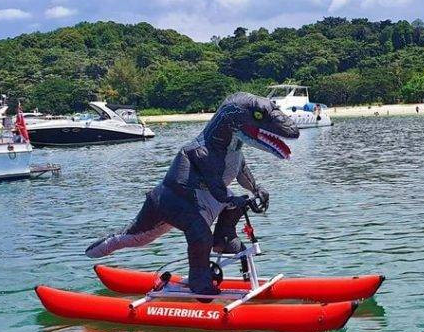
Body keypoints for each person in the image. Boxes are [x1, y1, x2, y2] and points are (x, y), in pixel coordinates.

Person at [85, 93, 300, 295]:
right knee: (169, 235)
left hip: (201, 200)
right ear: (234, 119)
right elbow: (216, 187)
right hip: (172, 201)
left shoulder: (233, 149)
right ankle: (198, 280)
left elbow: (241, 172)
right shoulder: (202, 150)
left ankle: (224, 238)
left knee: (235, 203)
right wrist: (231, 198)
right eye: (257, 117)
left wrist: (256, 189)